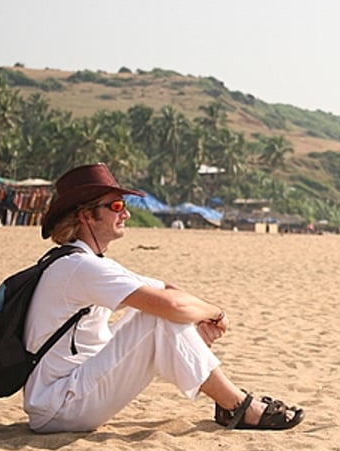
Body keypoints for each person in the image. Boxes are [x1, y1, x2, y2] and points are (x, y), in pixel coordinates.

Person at [23, 163, 304, 433]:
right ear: (86, 216)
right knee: (159, 316)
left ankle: (229, 403)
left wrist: (193, 324)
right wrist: (215, 313)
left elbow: (168, 291)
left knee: (162, 315)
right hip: (60, 406)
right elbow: (170, 305)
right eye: (117, 206)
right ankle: (239, 406)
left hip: (64, 393)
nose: (126, 215)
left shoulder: (82, 261)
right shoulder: (81, 267)